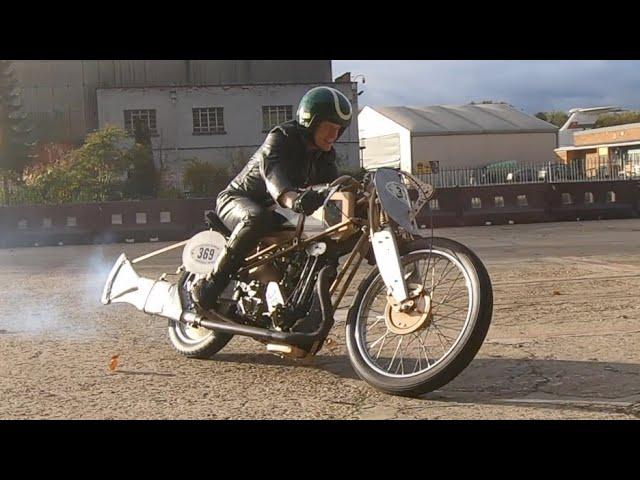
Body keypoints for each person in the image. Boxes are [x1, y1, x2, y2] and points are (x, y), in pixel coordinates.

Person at [194, 86, 353, 310]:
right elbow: (274, 178)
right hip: (238, 200)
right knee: (256, 218)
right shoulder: (281, 138)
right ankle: (211, 285)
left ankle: (298, 299)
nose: (333, 135)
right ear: (310, 122)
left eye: (338, 129)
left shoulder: (324, 157)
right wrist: (294, 200)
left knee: (323, 235)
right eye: (328, 127)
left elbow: (331, 191)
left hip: (277, 212)